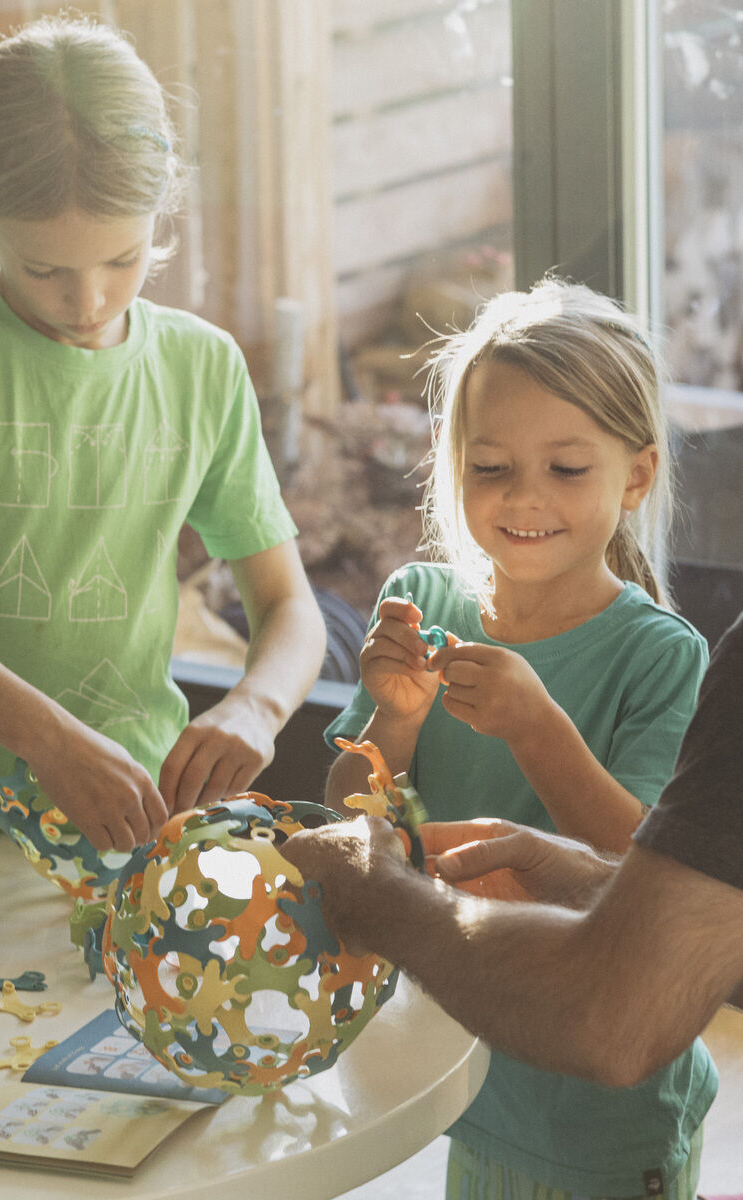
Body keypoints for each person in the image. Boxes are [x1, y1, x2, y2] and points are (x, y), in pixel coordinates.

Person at [0, 15, 325, 853]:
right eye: (45, 269)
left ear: (163, 208)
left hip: (137, 828)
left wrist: (256, 707)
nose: (87, 302)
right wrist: (47, 739)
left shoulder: (204, 366)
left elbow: (288, 606)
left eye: (122, 260)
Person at [319, 280, 714, 1198]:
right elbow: (347, 817)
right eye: (490, 465)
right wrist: (398, 718)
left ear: (638, 475)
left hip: (605, 1110)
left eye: (567, 470)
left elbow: (641, 867)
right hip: (467, 1060)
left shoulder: (662, 658)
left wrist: (540, 728)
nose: (522, 498)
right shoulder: (426, 604)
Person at [279, 607, 743, 1129]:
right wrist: (588, 879)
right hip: (468, 1080)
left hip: (598, 1124)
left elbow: (621, 1015)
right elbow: (696, 894)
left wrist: (371, 892)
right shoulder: (419, 598)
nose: (524, 517)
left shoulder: (666, 652)